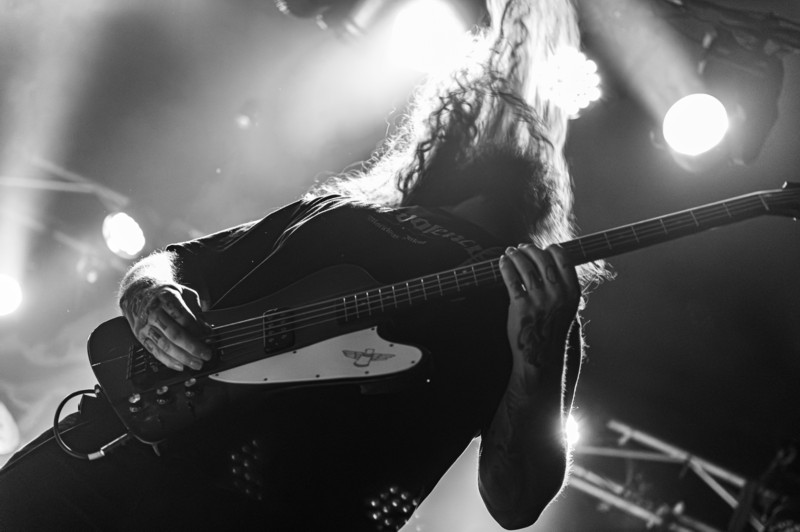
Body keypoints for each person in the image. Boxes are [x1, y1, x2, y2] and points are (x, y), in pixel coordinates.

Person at [0, 0, 605, 530]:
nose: (505, 120)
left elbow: (514, 502)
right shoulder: (337, 210)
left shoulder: (536, 299)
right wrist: (150, 298)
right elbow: (176, 262)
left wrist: (538, 353)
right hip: (113, 451)